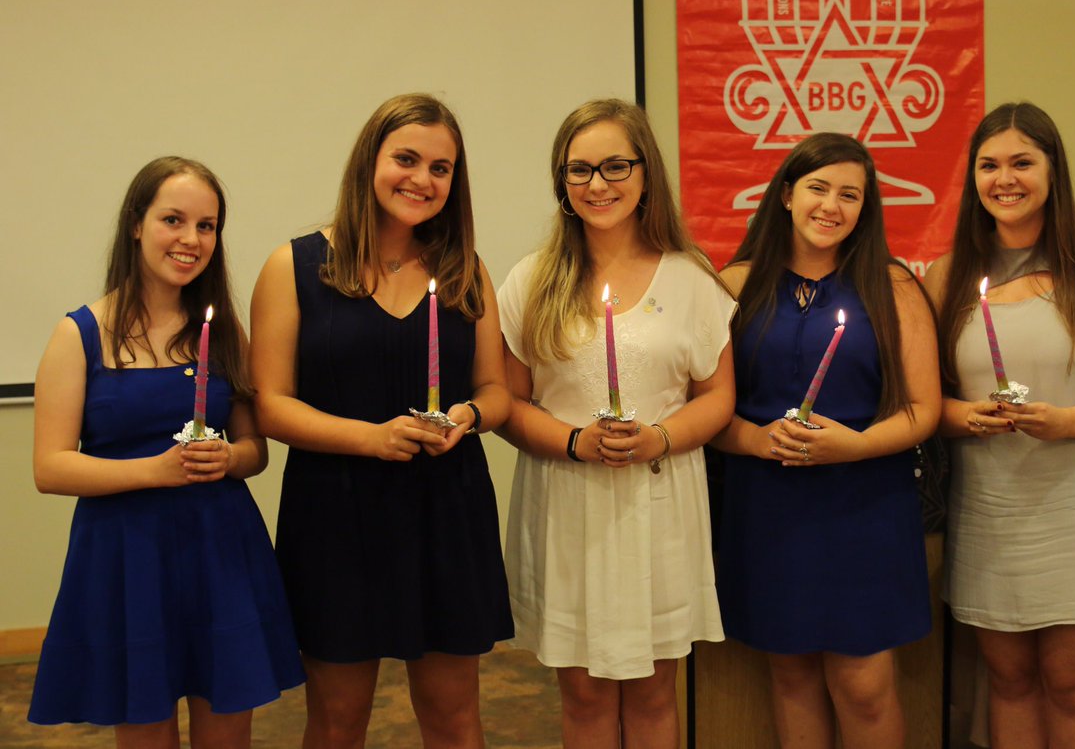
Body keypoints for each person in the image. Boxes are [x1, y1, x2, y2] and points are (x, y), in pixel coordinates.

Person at [250, 93, 512, 749]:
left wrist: (469, 415)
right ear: (370, 160)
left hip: (445, 508)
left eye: (441, 168)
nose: (423, 179)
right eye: (407, 159)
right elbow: (271, 403)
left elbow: (496, 390)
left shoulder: (466, 270)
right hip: (335, 514)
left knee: (453, 715)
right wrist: (371, 438)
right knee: (338, 720)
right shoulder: (293, 266)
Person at [28, 157, 304, 747]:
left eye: (207, 226)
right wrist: (154, 470)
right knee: (146, 731)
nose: (191, 239)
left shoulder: (222, 331)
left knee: (226, 731)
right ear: (136, 224)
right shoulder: (79, 334)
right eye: (173, 220)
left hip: (219, 548)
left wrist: (231, 459)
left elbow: (255, 448)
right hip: (126, 556)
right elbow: (50, 467)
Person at [925, 102, 1075, 749]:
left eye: (1022, 163)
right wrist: (966, 416)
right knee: (1007, 681)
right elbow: (924, 403)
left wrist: (1069, 421)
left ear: (1053, 170)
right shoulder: (947, 275)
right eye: (989, 165)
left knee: (1073, 684)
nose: (1005, 179)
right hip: (991, 507)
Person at [496, 99, 735, 748]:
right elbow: (508, 404)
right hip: (568, 502)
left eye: (614, 166)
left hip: (660, 502)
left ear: (645, 172)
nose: (597, 184)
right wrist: (575, 441)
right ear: (562, 181)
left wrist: (660, 437)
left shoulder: (690, 278)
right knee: (584, 693)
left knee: (655, 689)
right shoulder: (531, 280)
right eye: (579, 170)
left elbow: (718, 397)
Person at [710, 133, 939, 749]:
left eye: (850, 195)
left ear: (866, 207)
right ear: (787, 194)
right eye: (818, 188)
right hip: (768, 505)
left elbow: (924, 409)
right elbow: (705, 408)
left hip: (864, 503)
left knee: (865, 684)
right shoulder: (733, 285)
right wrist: (755, 440)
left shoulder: (893, 287)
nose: (831, 206)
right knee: (790, 675)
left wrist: (856, 446)